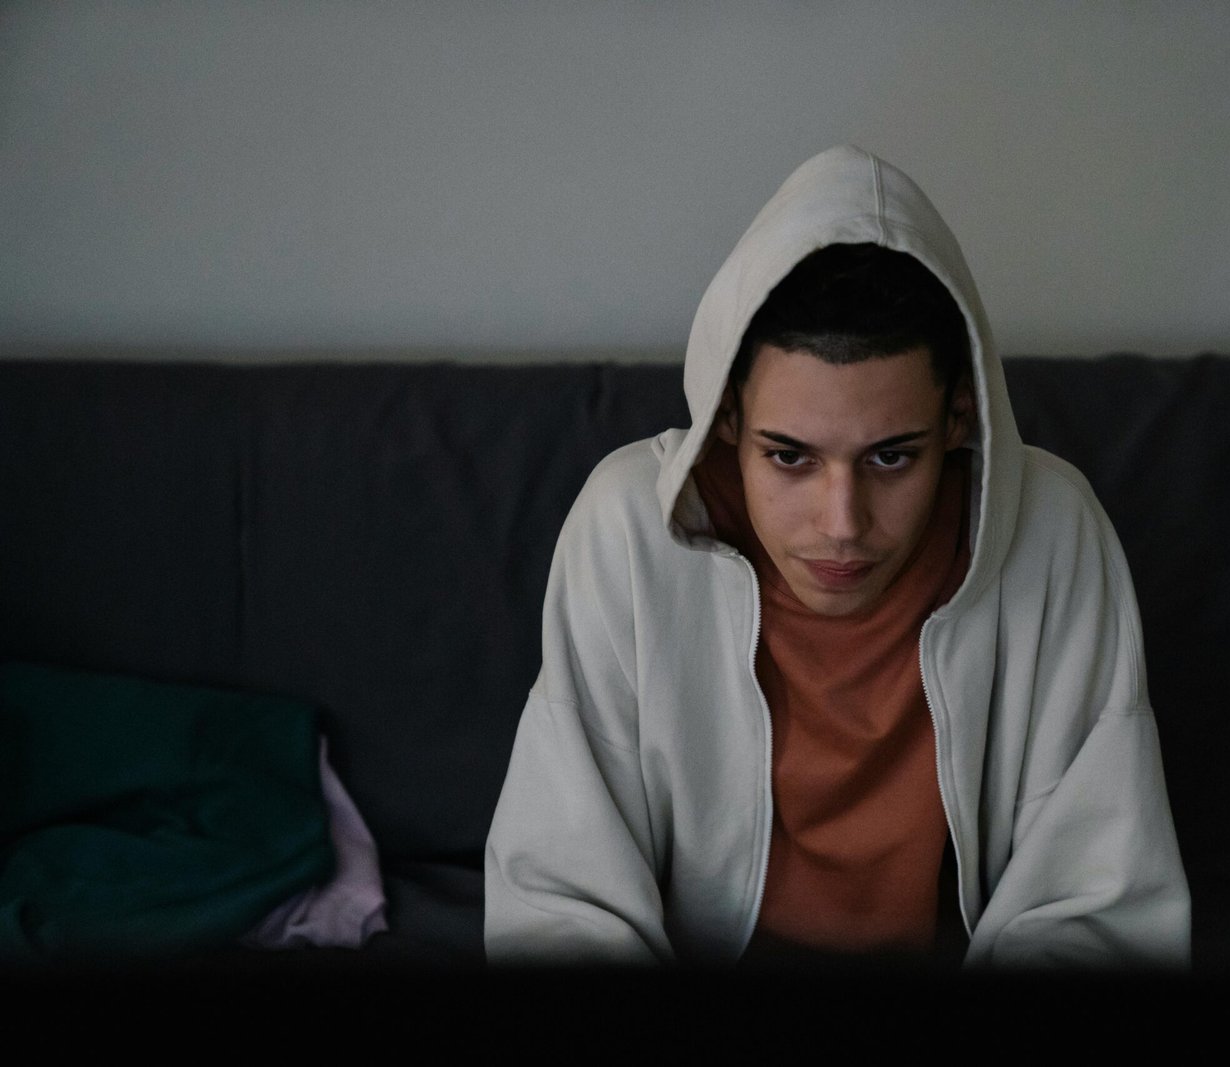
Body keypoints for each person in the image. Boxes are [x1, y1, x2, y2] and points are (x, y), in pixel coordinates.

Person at [484, 144, 1190, 969]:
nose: (842, 523)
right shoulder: (626, 531)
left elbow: (1094, 905)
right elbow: (562, 898)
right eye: (789, 456)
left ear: (959, 418)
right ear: (727, 422)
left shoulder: (1055, 533)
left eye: (892, 456)